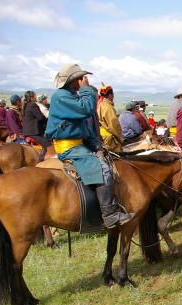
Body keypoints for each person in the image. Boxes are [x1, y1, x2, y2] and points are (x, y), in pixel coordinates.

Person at [45, 63, 134, 229]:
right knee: (103, 169)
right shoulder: (61, 96)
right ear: (74, 80)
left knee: (106, 160)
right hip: (69, 148)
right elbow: (86, 109)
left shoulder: (70, 95)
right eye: (80, 78)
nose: (83, 80)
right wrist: (86, 89)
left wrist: (96, 146)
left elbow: (83, 129)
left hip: (79, 145)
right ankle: (110, 215)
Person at [97, 83, 123, 152]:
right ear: (110, 95)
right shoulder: (108, 107)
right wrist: (121, 139)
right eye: (113, 94)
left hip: (101, 136)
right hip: (108, 139)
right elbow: (114, 126)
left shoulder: (99, 104)